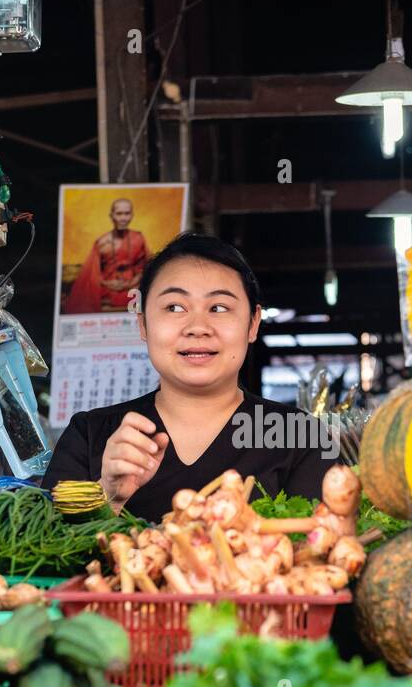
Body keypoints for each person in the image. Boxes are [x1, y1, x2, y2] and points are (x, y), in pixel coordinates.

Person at [43, 233, 339, 521]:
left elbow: (323, 553)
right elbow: (40, 561)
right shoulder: (90, 436)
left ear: (252, 323)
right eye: (174, 307)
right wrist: (108, 497)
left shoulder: (300, 438)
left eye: (219, 308)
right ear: (143, 324)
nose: (198, 327)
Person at [63, 197, 148, 314]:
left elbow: (144, 267)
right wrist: (108, 283)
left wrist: (131, 282)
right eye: (119, 214)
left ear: (132, 215)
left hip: (133, 286)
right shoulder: (102, 242)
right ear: (111, 216)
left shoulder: (139, 238)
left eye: (127, 214)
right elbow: (93, 273)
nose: (123, 218)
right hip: (107, 287)